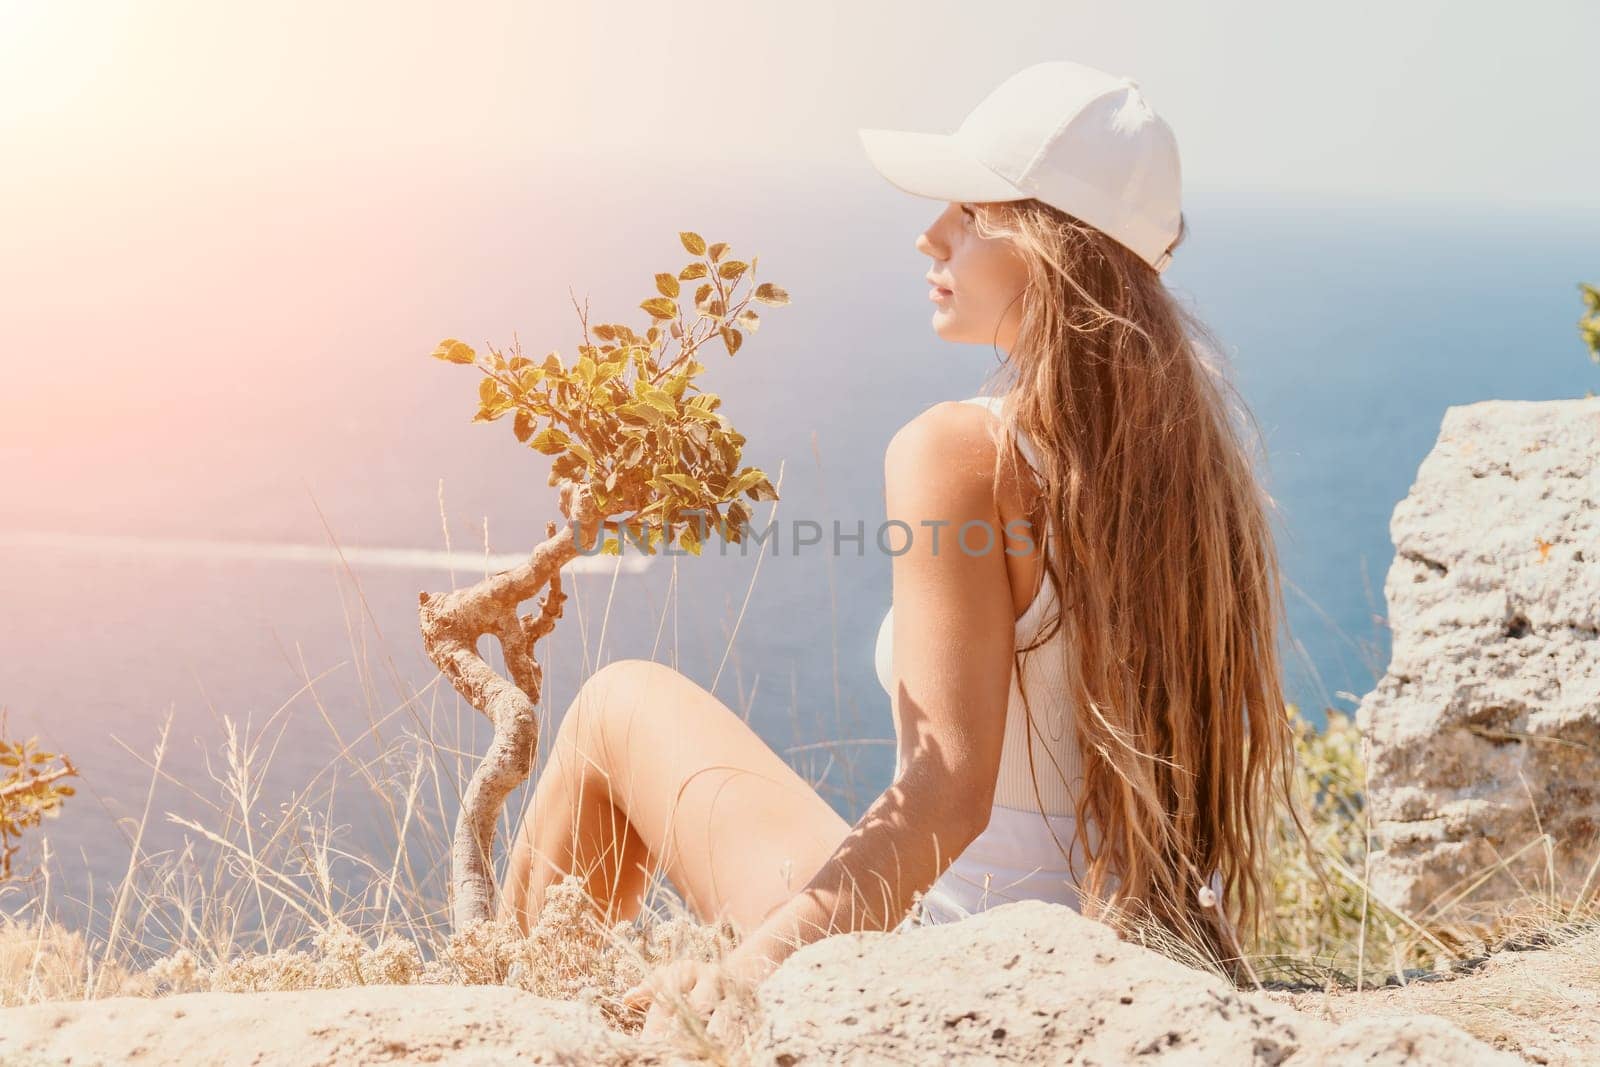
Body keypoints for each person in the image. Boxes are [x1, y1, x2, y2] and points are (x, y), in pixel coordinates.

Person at [498, 59, 1300, 1032]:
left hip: (955, 964)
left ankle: (517, 1026)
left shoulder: (961, 451)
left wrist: (740, 981)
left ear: (1047, 245)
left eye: (966, 212)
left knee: (616, 703)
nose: (930, 235)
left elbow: (944, 796)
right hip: (1111, 959)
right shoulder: (1199, 471)